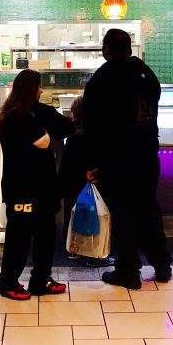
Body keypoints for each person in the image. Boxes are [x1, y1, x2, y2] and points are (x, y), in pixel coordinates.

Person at [83, 28, 172, 290]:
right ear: (130, 48)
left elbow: (92, 125)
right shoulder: (147, 74)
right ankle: (162, 265)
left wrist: (91, 162)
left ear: (106, 50)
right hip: (147, 155)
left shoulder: (103, 77)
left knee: (123, 212)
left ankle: (127, 271)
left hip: (117, 158)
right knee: (149, 209)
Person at [0, 69, 75, 300]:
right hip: (22, 188)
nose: (41, 90)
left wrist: (47, 122)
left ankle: (41, 279)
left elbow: (65, 128)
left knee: (46, 233)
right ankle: (7, 282)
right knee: (19, 237)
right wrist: (47, 127)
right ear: (30, 90)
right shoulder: (14, 117)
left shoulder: (34, 111)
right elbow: (44, 139)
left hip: (43, 187)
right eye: (38, 86)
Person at [59, 95, 114, 267]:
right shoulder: (96, 135)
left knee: (73, 214)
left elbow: (66, 165)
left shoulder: (71, 136)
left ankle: (74, 249)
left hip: (72, 185)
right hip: (91, 184)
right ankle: (94, 254)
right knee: (94, 217)